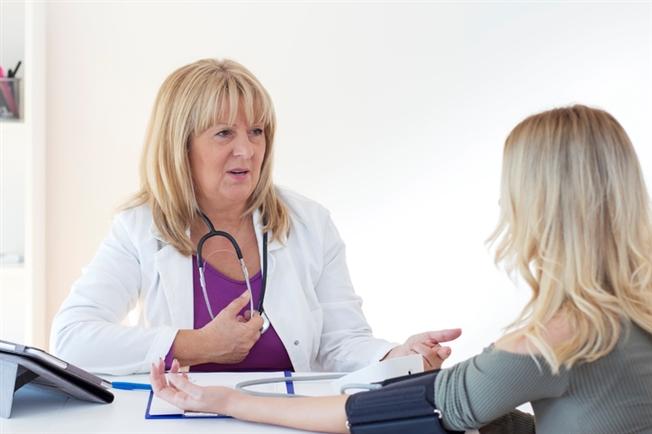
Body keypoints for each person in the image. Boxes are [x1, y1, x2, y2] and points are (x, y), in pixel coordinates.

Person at [151, 105, 652, 433]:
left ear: (539, 203)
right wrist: (457, 395)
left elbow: (370, 418)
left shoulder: (557, 338)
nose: (503, 199)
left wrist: (226, 402)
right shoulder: (635, 315)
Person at [50, 58, 461, 376]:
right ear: (180, 146)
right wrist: (195, 345)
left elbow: (341, 343)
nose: (246, 151)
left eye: (257, 132)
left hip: (288, 422)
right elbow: (71, 339)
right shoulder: (141, 227)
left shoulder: (309, 223)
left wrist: (397, 356)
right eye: (224, 133)